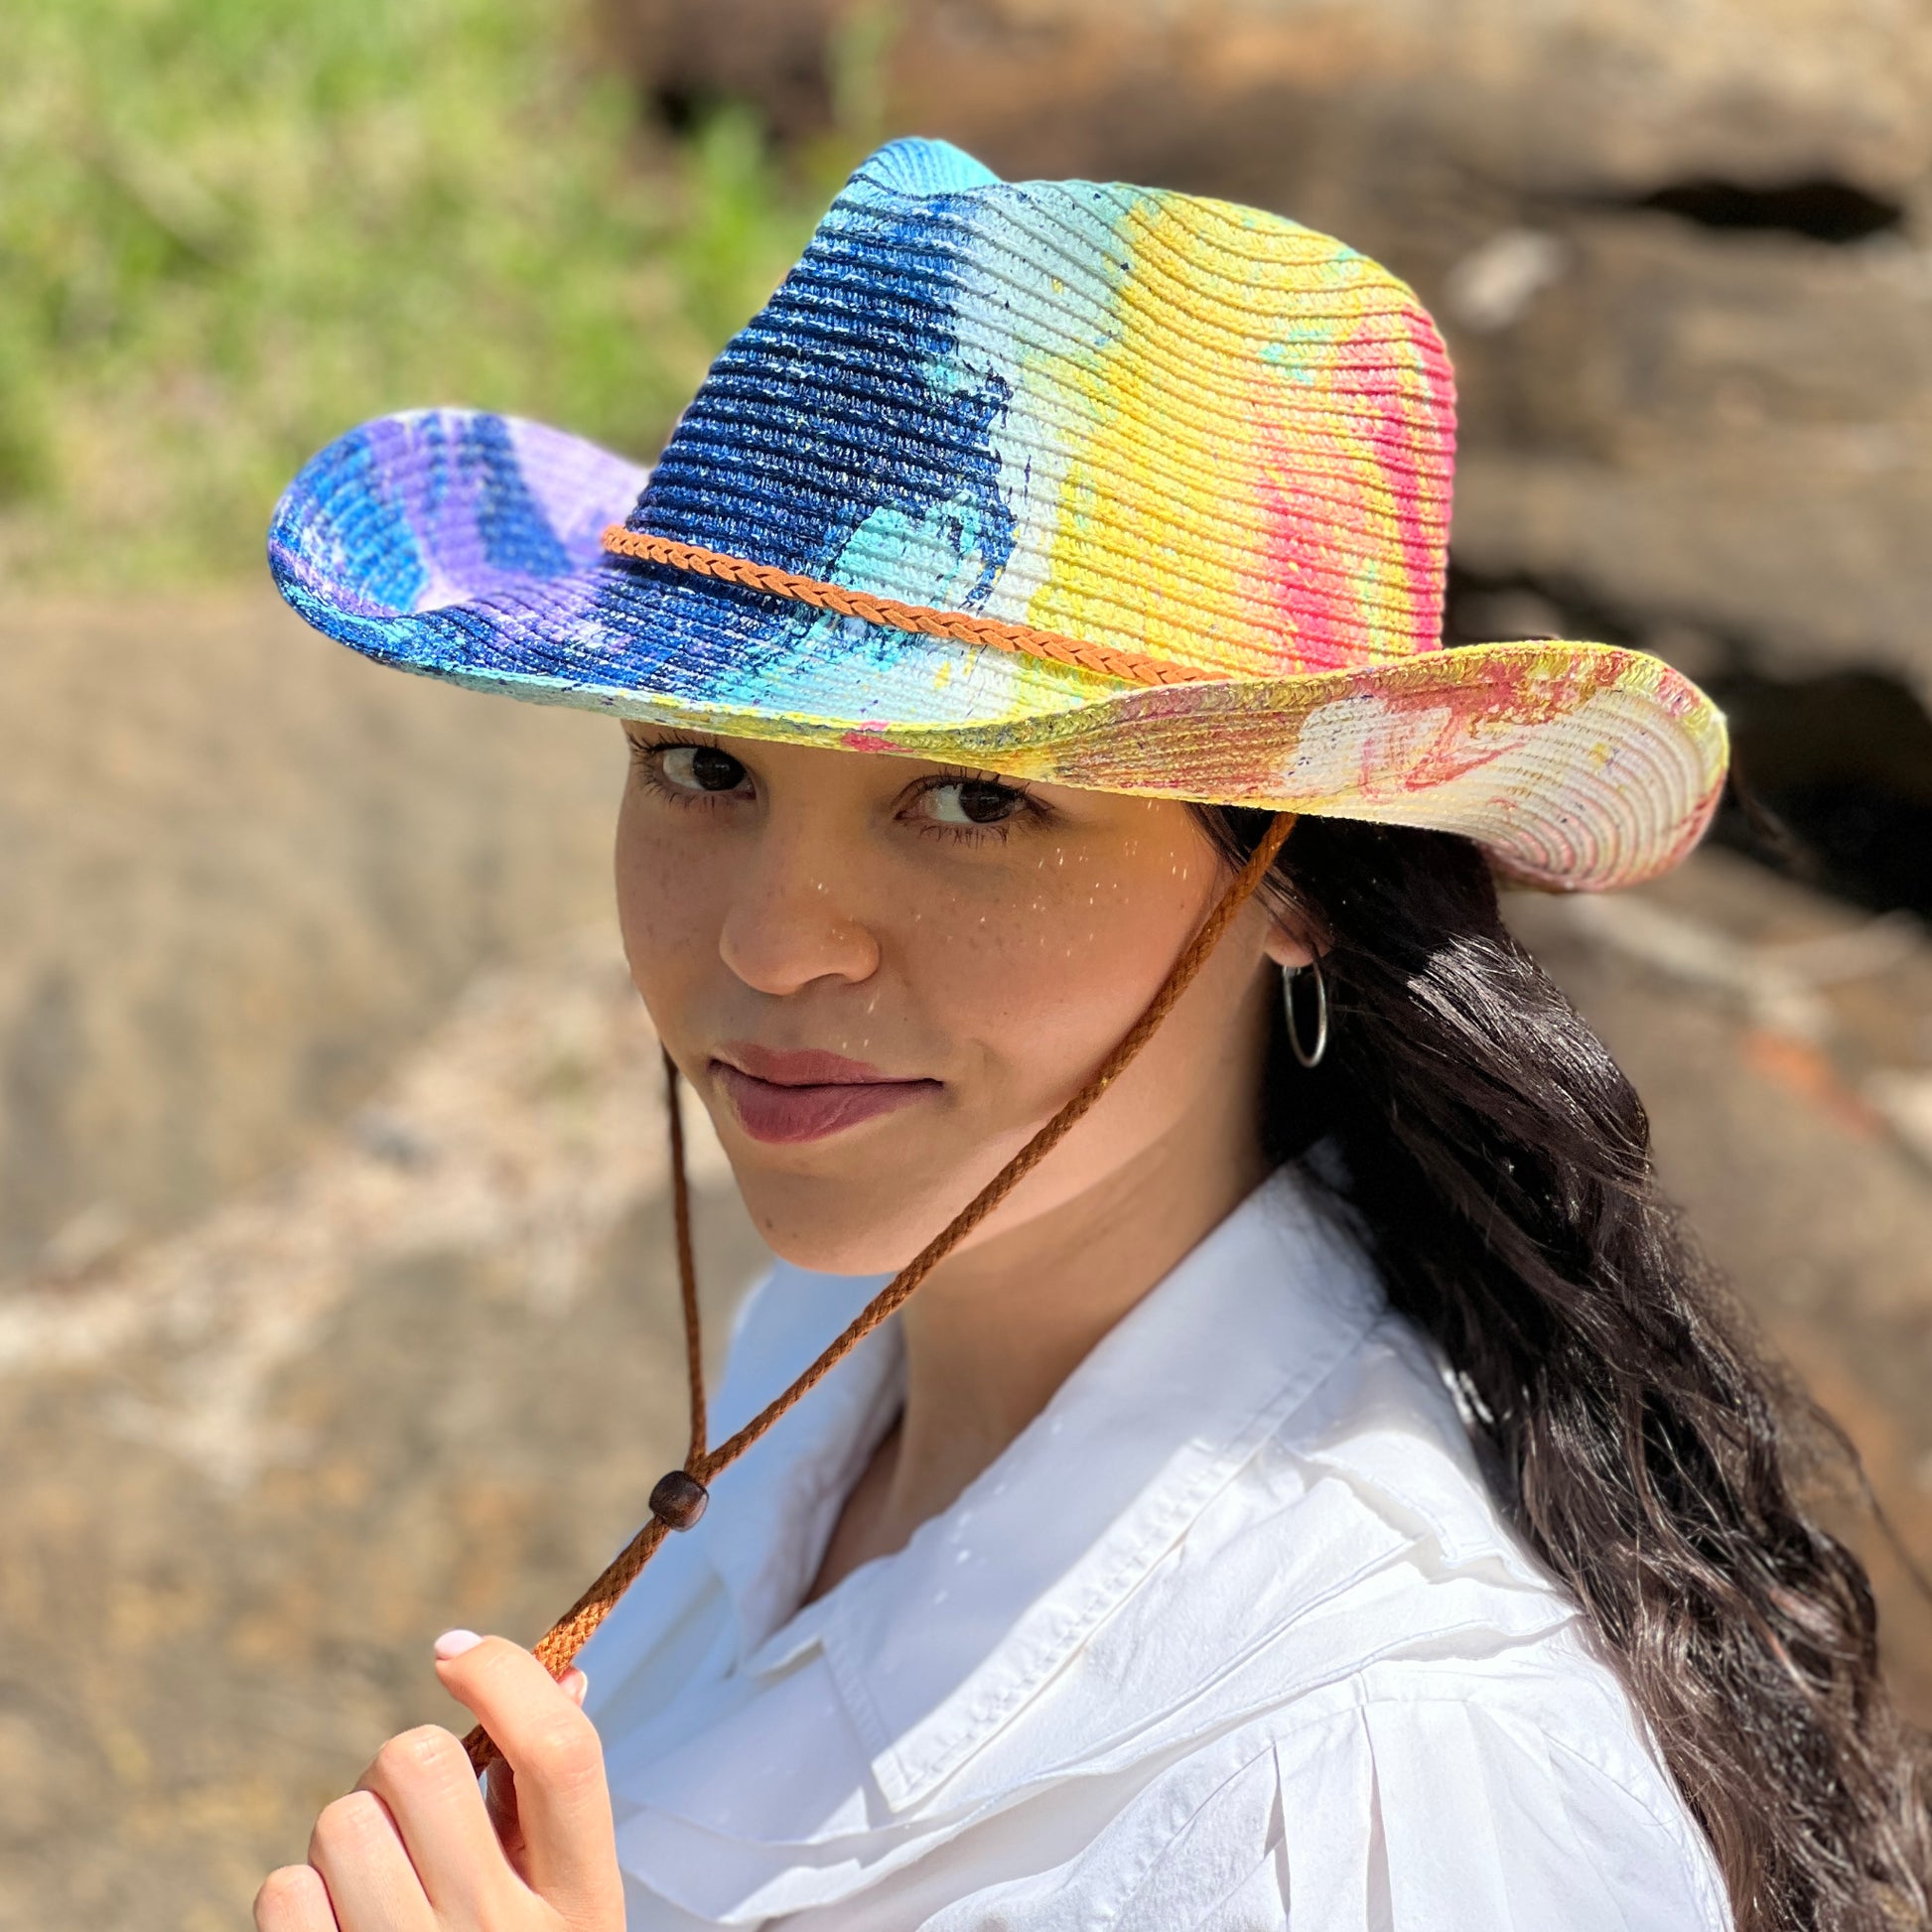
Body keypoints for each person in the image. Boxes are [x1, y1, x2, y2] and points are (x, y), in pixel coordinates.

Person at [253, 139, 1927, 1931]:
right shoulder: (818, 1344)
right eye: (701, 763)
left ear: (1296, 874)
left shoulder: (1383, 1762)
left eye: (976, 802)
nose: (769, 941)